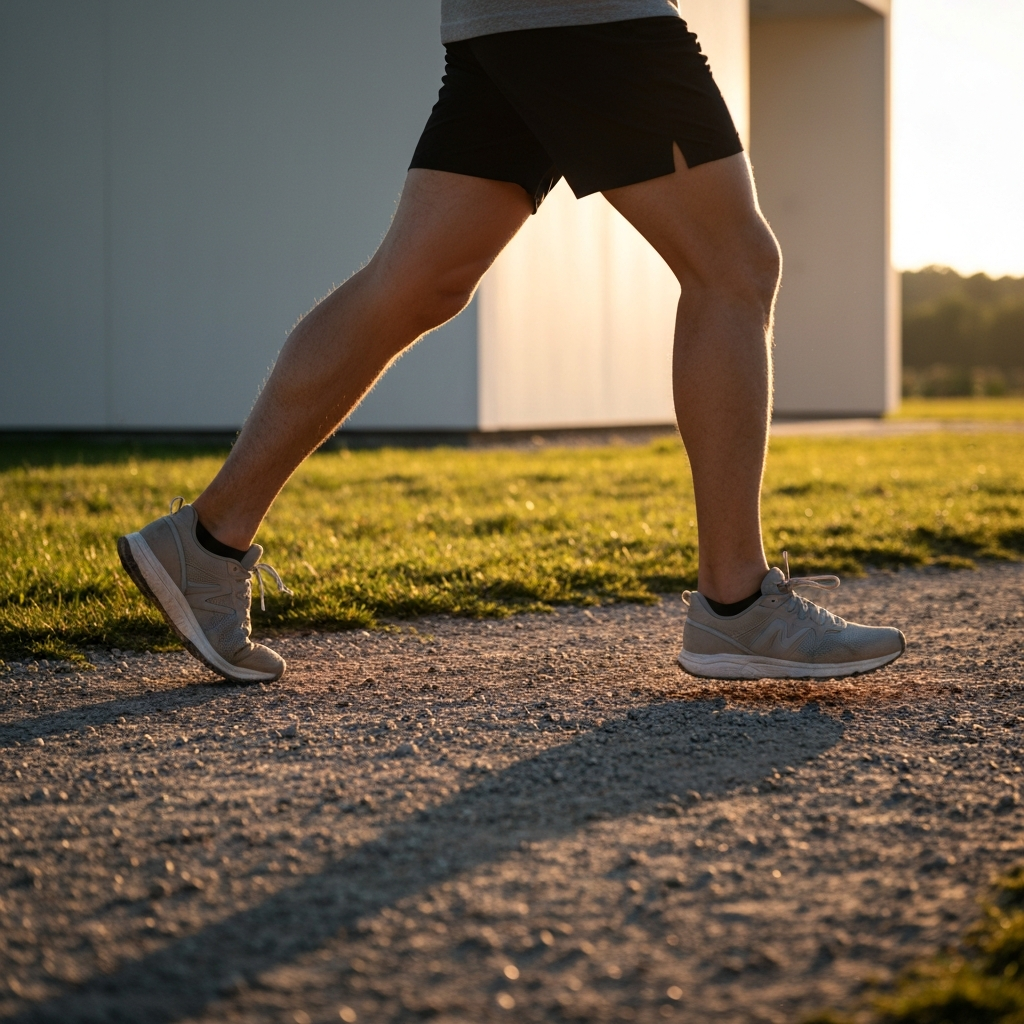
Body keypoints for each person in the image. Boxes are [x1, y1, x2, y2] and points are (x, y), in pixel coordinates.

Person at [117, 0, 905, 684]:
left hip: (508, 18)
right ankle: (736, 601)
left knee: (418, 283)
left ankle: (207, 544)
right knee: (732, 264)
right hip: (587, 16)